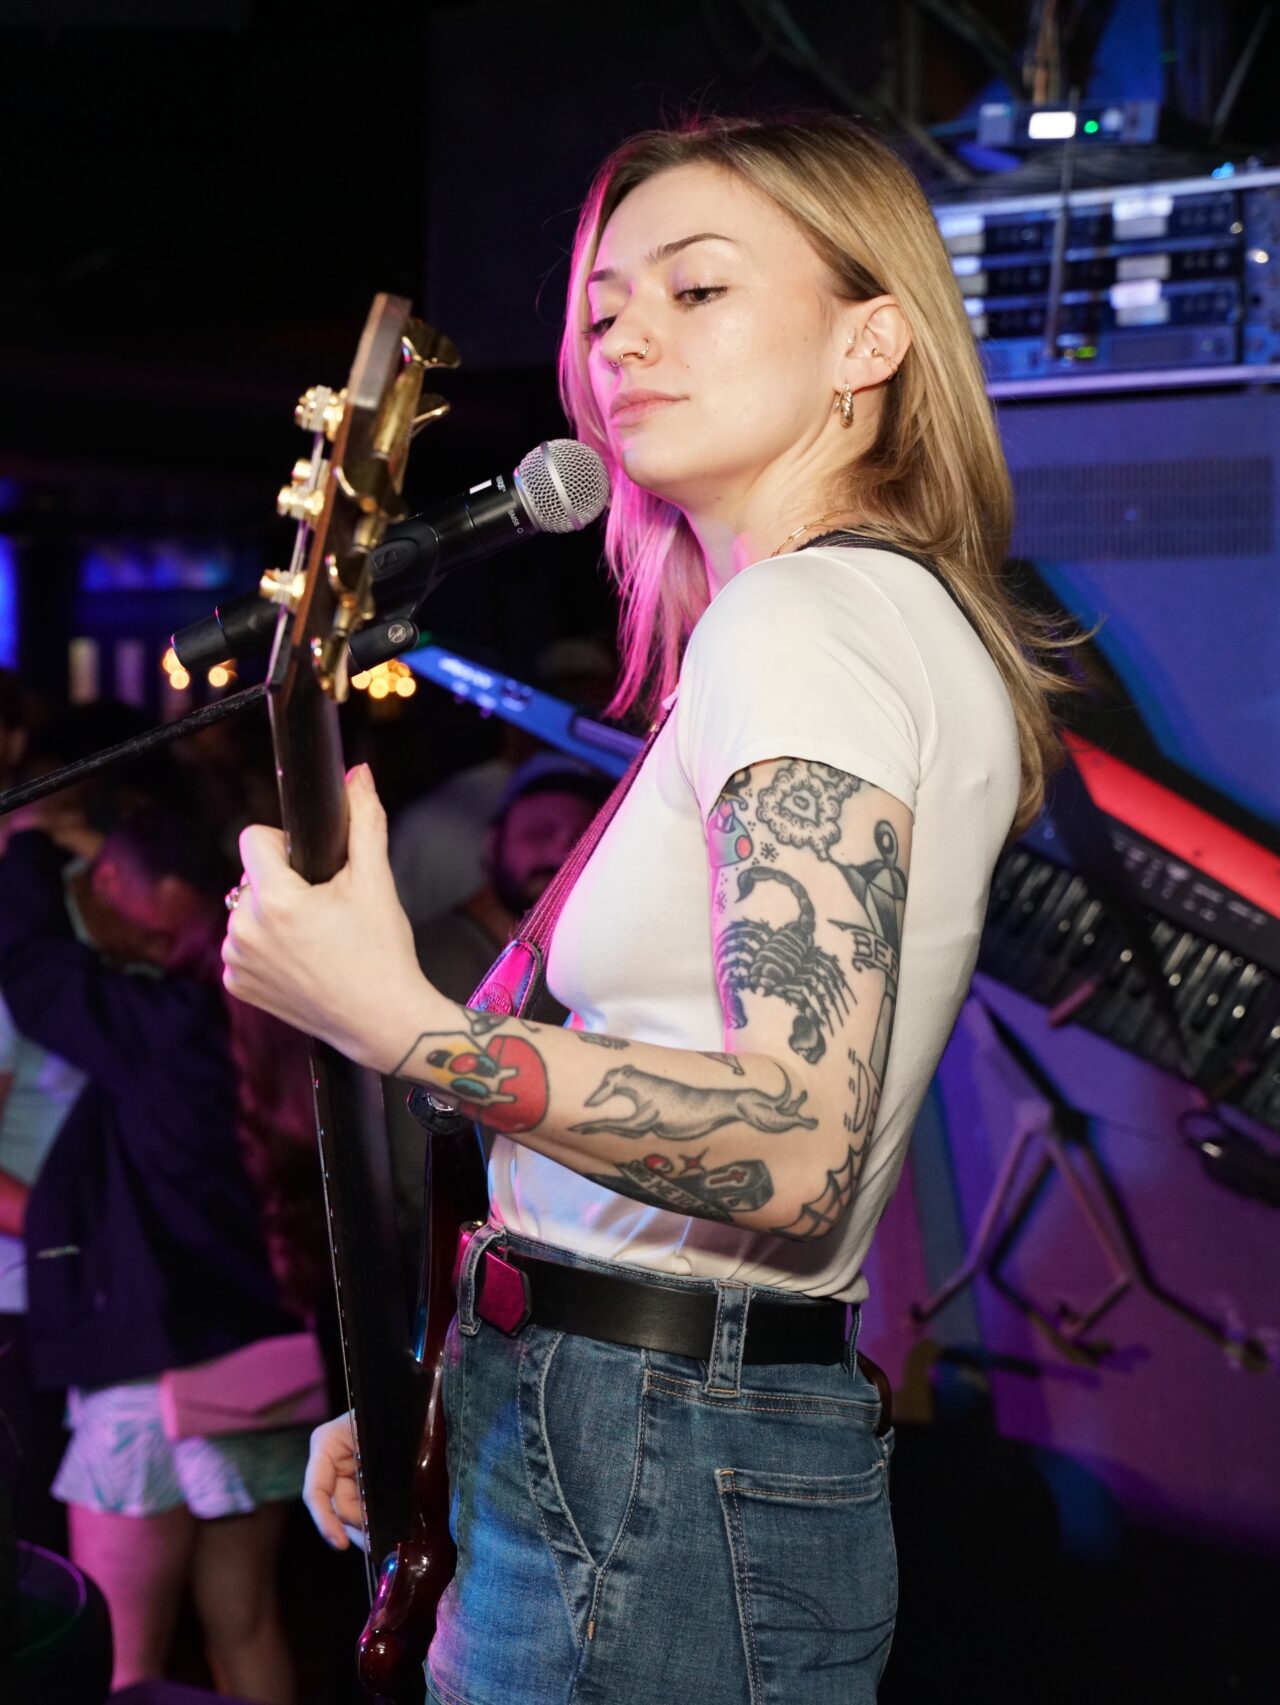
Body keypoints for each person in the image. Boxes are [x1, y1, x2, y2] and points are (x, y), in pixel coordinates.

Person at [223, 115, 1077, 1705]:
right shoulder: (828, 617)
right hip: (610, 1422)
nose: (624, 335)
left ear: (868, 340)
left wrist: (402, 1028)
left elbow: (795, 1150)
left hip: (662, 1457)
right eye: (606, 303)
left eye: (698, 288)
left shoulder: (806, 616)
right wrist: (449, 1390)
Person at [0, 804, 311, 1701]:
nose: (102, 909)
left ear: (160, 900)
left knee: (127, 1663)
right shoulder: (269, 1022)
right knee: (248, 1625)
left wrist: (24, 845)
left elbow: (31, 972)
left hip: (151, 1382)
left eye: (109, 889)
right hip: (255, 1369)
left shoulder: (173, 1025)